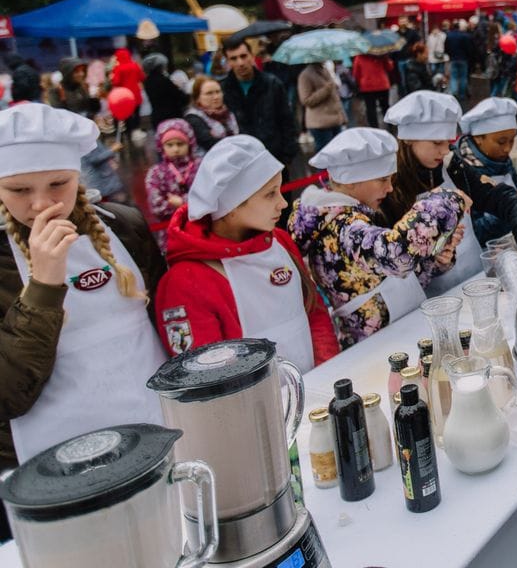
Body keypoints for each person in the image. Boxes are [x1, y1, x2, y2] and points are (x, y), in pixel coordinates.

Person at [0, 104, 166, 468]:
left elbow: (164, 323)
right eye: (19, 189)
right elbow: (8, 395)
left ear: (77, 175)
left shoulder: (124, 226)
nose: (41, 204)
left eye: (58, 183)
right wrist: (43, 286)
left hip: (157, 429)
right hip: (56, 464)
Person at [155, 135, 338, 370]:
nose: (283, 203)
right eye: (270, 194)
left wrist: (327, 372)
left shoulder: (279, 241)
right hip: (254, 395)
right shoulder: (186, 281)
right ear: (231, 206)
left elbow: (314, 312)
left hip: (316, 385)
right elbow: (205, 374)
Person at [290, 128, 467, 348]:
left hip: (396, 333)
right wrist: (448, 200)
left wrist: (434, 259)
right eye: (383, 179)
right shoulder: (343, 228)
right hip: (374, 346)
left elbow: (386, 279)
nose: (390, 188)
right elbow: (397, 255)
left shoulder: (354, 218)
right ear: (350, 180)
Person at [382, 91, 517, 286]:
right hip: (429, 296)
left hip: (476, 279)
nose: (445, 150)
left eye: (448, 142)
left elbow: (503, 197)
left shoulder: (452, 167)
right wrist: (434, 257)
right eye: (437, 143)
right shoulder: (388, 188)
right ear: (408, 140)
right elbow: (390, 258)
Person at [455, 97, 517, 245]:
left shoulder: (502, 160)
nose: (508, 149)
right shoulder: (461, 171)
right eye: (501, 142)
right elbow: (476, 231)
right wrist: (513, 206)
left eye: (512, 140)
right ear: (478, 138)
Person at [219, 35, 299, 171]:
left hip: (274, 158)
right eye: (234, 58)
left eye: (243, 56)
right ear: (228, 62)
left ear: (251, 56)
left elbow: (287, 120)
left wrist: (287, 155)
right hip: (241, 162)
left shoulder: (272, 84)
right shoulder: (223, 89)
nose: (240, 63)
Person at [145, 118, 201, 244]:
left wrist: (182, 202)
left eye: (180, 144)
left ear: (190, 144)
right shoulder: (156, 173)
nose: (175, 149)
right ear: (161, 146)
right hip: (171, 233)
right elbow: (156, 206)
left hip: (201, 228)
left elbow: (209, 196)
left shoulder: (201, 167)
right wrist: (191, 205)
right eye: (169, 145)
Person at [184, 74, 239, 157]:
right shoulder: (193, 118)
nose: (216, 97)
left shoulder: (229, 113)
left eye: (218, 92)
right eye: (209, 93)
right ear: (197, 98)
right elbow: (210, 143)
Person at [298, 61, 347, 152]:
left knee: (338, 152)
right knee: (326, 153)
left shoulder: (325, 70)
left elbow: (335, 97)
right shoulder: (305, 75)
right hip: (320, 124)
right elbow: (306, 100)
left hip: (335, 121)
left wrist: (342, 117)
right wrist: (326, 89)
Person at [142, 53, 188, 127]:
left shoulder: (147, 82)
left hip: (157, 117)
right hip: (171, 117)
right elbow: (179, 96)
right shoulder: (164, 80)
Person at [352, 50, 395, 129]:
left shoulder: (359, 57)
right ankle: (391, 126)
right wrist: (386, 57)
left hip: (367, 87)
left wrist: (359, 83)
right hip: (382, 85)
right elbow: (390, 67)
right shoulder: (381, 54)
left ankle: (375, 129)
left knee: (371, 110)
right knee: (385, 106)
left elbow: (356, 74)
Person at [109, 48, 145, 126]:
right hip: (136, 94)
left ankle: (129, 130)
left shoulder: (118, 68)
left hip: (125, 96)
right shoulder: (135, 65)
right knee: (136, 113)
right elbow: (142, 78)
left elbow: (116, 82)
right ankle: (137, 128)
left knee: (127, 115)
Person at [445, 21, 474, 102]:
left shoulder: (449, 35)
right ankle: (462, 94)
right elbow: (468, 48)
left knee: (453, 77)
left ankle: (454, 93)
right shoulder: (464, 36)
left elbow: (446, 48)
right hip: (463, 59)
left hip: (453, 59)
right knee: (463, 77)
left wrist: (450, 55)